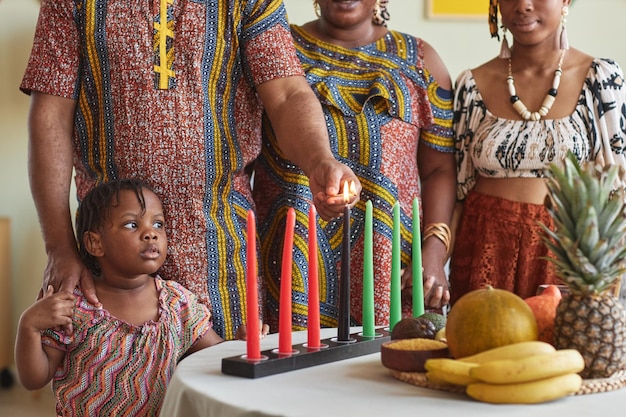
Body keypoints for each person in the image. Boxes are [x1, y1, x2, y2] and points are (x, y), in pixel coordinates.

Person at [20, 0, 361, 340]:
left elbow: (286, 93)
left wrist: (320, 160)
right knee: (111, 383)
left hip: (222, 249)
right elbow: (51, 114)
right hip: (111, 258)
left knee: (224, 383)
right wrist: (60, 247)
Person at [253, 0, 456, 331]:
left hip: (389, 269)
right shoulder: (277, 47)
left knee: (383, 377)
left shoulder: (421, 60)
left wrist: (434, 252)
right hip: (290, 264)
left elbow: (439, 170)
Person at [449, 0, 626, 303]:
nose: (523, 5)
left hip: (567, 253)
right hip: (484, 248)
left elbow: (618, 189)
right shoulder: (470, 85)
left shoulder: (600, 78)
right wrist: (433, 262)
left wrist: (613, 287)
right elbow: (458, 193)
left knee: (560, 350)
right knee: (482, 347)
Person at [14, 179, 224, 416]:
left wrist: (241, 345)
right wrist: (29, 326)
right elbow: (34, 379)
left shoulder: (178, 303)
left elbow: (215, 354)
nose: (150, 234)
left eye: (158, 224)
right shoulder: (74, 307)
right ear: (95, 243)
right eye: (132, 224)